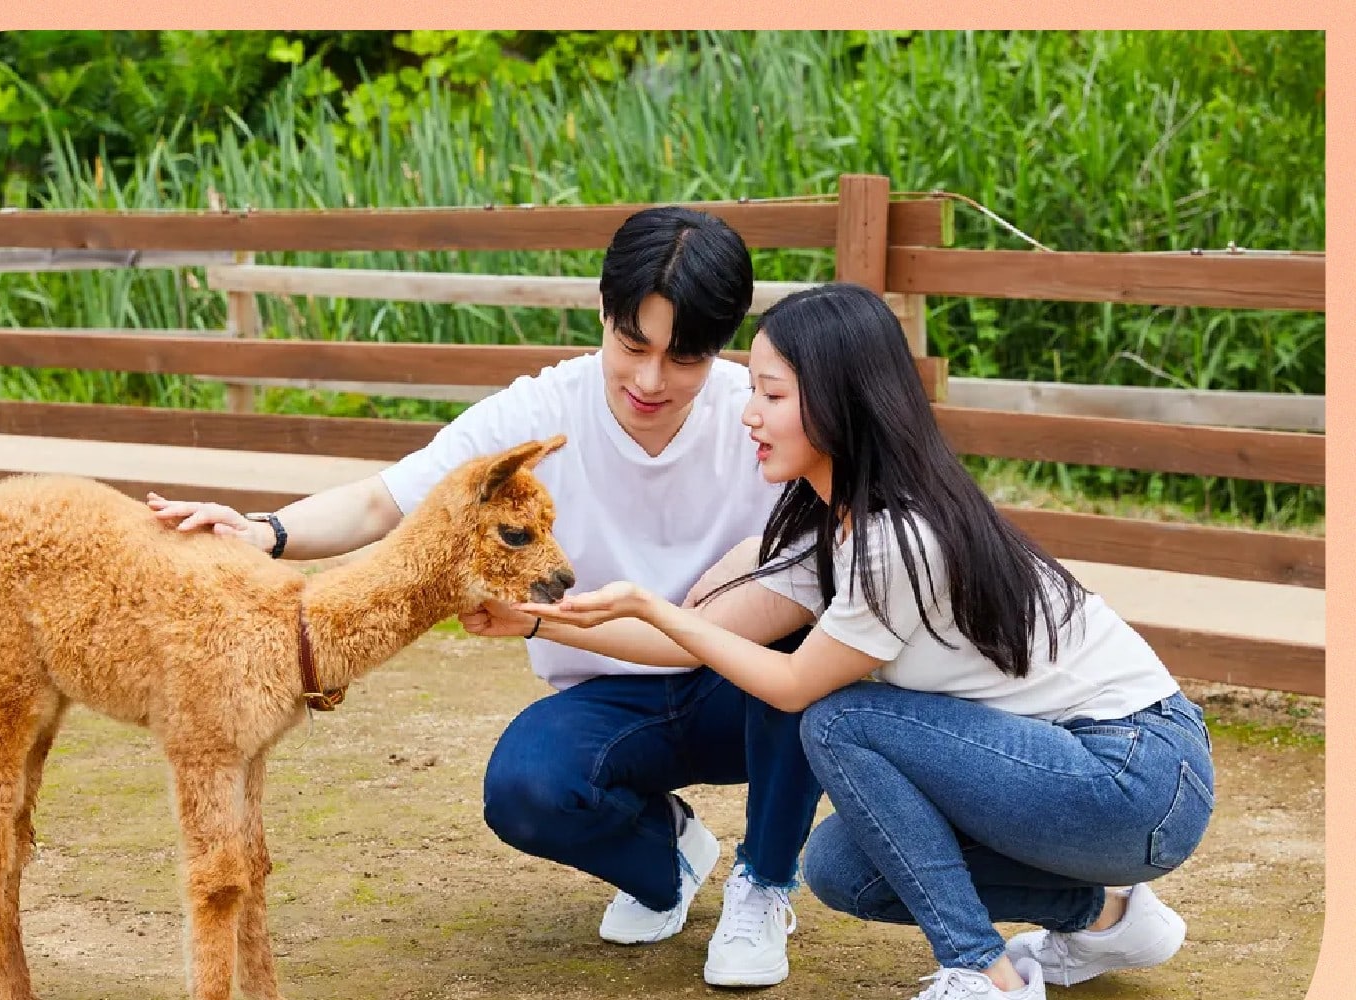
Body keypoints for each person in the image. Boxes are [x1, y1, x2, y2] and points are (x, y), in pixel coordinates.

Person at [462, 282, 1215, 1000]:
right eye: (752, 389)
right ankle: (1111, 919)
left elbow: (789, 687)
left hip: (1136, 774)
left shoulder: (898, 536)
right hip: (1073, 783)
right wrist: (537, 619)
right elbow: (703, 642)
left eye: (773, 395)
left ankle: (983, 972)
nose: (748, 415)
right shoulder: (833, 532)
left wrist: (650, 607)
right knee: (843, 868)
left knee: (836, 715)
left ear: (843, 401)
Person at [147, 206, 825, 988]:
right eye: (632, 346)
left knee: (810, 656)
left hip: (733, 682)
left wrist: (535, 616)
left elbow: (843, 540)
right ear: (602, 314)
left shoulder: (760, 415)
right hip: (605, 695)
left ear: (723, 347)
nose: (650, 380)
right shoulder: (542, 410)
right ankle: (665, 855)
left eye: (685, 359)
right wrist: (266, 531)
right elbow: (386, 501)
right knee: (524, 789)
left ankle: (766, 882)